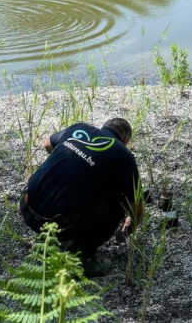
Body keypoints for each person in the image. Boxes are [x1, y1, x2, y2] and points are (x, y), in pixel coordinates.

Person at [19, 117, 143, 277]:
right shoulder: (123, 155)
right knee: (117, 199)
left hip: (27, 209)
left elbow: (47, 144)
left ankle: (47, 233)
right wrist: (128, 230)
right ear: (125, 140)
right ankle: (82, 258)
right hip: (61, 227)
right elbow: (137, 209)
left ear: (103, 126)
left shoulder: (79, 128)